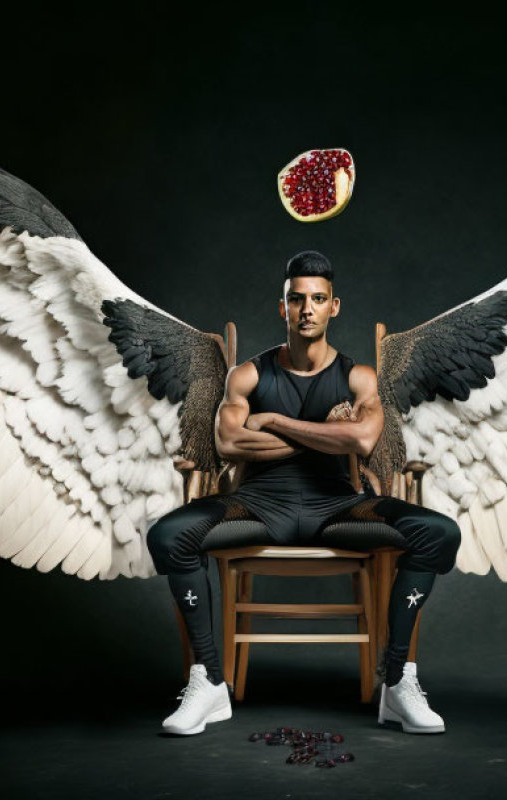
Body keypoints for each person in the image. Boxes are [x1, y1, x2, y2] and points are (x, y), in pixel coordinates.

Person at [147, 250, 461, 735]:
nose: (307, 309)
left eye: (318, 299)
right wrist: (321, 432)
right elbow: (229, 443)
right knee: (168, 536)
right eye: (297, 300)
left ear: (334, 306)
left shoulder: (359, 377)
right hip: (256, 507)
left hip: (341, 508)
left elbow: (360, 440)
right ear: (283, 308)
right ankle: (208, 681)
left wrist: (271, 421)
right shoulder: (247, 375)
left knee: (439, 533)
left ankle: (398, 682)